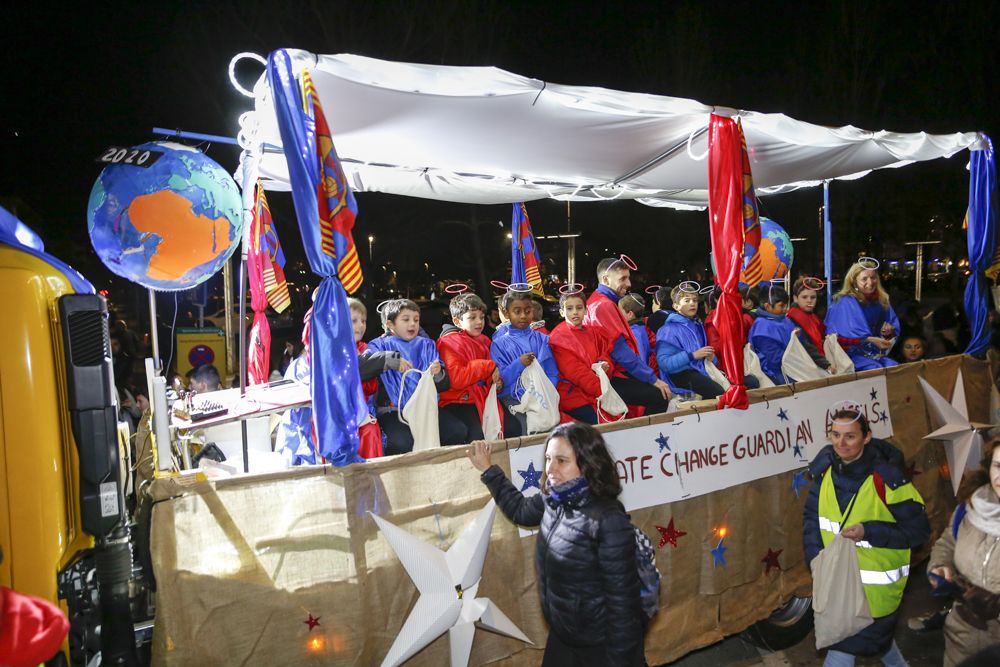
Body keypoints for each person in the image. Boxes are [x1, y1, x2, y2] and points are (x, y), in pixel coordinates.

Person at [467, 422, 647, 665]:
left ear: (587, 465)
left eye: (562, 461)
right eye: (548, 458)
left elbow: (625, 606)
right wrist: (489, 470)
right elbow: (521, 511)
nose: (550, 469)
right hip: (566, 636)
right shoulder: (554, 498)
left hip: (602, 645)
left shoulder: (609, 521)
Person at [803, 406, 929, 666]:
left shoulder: (888, 479)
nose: (841, 443)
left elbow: (918, 532)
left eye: (850, 436)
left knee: (843, 650)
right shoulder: (824, 472)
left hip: (875, 595)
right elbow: (811, 521)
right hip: (838, 587)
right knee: (878, 643)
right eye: (835, 435)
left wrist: (868, 531)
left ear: (867, 437)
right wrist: (817, 560)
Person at [927, 437, 1000, 666]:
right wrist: (940, 566)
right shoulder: (969, 507)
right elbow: (947, 543)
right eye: (998, 466)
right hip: (961, 642)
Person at [366, 298, 463, 454]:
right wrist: (389, 359)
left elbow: (444, 384)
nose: (412, 324)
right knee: (402, 443)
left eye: (416, 320)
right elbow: (364, 366)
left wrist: (439, 374)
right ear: (390, 325)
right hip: (393, 410)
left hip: (427, 409)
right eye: (406, 319)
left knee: (457, 431)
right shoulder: (378, 345)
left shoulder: (426, 344)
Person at [584, 257, 671, 414]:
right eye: (623, 278)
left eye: (628, 278)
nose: (629, 284)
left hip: (609, 373)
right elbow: (620, 351)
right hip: (609, 376)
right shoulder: (603, 305)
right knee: (661, 395)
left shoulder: (601, 301)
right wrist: (652, 379)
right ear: (605, 279)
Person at [491, 287, 560, 437]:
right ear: (506, 312)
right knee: (524, 425)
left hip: (542, 394)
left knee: (552, 423)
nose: (523, 316)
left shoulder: (542, 339)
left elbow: (552, 372)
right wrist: (519, 364)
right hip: (512, 397)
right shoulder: (499, 344)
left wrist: (545, 392)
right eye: (517, 311)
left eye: (527, 311)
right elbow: (501, 380)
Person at [436, 293, 503, 442]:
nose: (479, 322)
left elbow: (491, 374)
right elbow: (458, 378)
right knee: (476, 435)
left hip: (480, 398)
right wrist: (489, 367)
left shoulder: (484, 340)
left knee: (509, 427)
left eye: (481, 316)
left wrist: (496, 382)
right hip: (457, 400)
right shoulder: (448, 343)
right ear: (457, 321)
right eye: (472, 317)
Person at [549, 290, 613, 424]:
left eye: (579, 308)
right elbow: (576, 373)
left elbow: (604, 352)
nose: (574, 312)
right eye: (569, 308)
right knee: (602, 423)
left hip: (596, 387)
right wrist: (604, 391)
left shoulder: (592, 332)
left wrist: (604, 363)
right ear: (562, 312)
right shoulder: (558, 338)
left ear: (586, 310)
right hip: (572, 395)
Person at [825, 260, 900, 371]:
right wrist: (869, 340)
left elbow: (889, 330)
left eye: (873, 278)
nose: (870, 282)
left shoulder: (881, 301)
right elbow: (835, 339)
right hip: (848, 356)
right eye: (864, 279)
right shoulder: (844, 302)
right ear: (854, 282)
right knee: (875, 369)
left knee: (894, 367)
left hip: (873, 354)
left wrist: (888, 332)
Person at [655, 284, 724, 399]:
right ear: (676, 306)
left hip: (700, 371)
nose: (692, 303)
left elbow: (704, 354)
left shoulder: (697, 325)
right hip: (679, 375)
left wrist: (713, 358)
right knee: (718, 392)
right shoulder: (668, 330)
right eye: (687, 300)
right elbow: (664, 363)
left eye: (695, 300)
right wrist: (692, 355)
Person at [748, 286, 798, 385]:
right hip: (773, 372)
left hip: (790, 365)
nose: (785, 309)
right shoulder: (762, 327)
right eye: (781, 306)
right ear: (768, 306)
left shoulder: (784, 319)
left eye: (786, 305)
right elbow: (774, 359)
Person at [787, 277, 832, 371]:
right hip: (805, 367)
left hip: (816, 362)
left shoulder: (813, 317)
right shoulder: (793, 318)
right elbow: (807, 346)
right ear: (795, 298)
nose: (809, 301)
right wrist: (826, 365)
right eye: (804, 297)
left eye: (813, 297)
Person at [619, 293, 657, 377]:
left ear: (630, 314)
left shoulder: (636, 332)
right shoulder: (640, 328)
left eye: (620, 311)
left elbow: (642, 358)